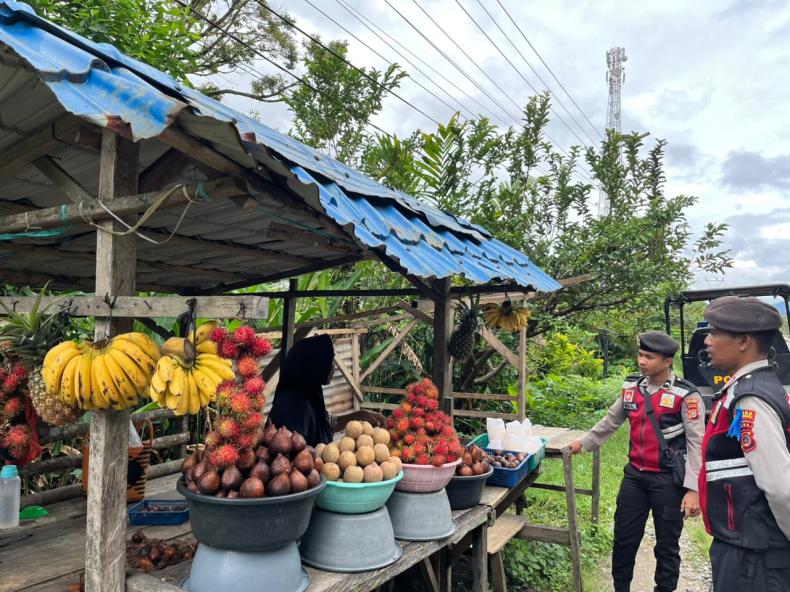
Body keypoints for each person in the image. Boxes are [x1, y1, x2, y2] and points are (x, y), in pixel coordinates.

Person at [569, 331, 705, 592]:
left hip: (668, 481)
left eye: (649, 357)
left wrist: (694, 489)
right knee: (624, 539)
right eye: (640, 355)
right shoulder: (632, 388)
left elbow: (696, 443)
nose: (642, 361)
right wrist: (583, 443)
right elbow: (611, 421)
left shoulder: (685, 395)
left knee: (667, 545)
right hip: (635, 477)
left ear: (667, 362)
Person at [698, 296, 790, 591]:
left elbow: (780, 486)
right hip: (746, 548)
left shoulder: (751, 398)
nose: (707, 341)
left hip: (754, 558)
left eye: (714, 333)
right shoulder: (747, 388)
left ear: (743, 341)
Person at [267, 334, 384, 447]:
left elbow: (328, 423)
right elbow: (294, 453)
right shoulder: (293, 405)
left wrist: (362, 415)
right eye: (331, 360)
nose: (333, 366)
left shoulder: (311, 392)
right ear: (317, 363)